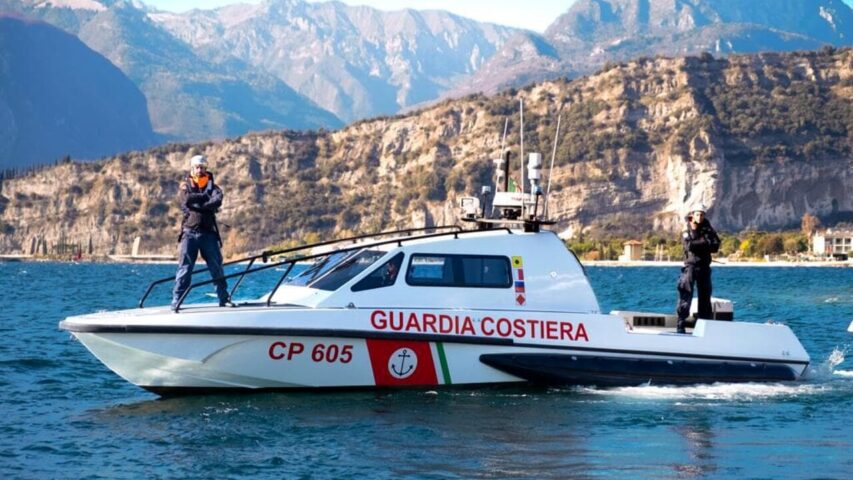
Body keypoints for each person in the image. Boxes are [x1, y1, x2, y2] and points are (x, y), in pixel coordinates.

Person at [172, 154, 232, 310]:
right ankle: (177, 300)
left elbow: (217, 200)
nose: (199, 170)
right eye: (196, 167)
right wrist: (205, 198)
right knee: (185, 269)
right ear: (192, 168)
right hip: (189, 233)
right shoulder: (184, 186)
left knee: (216, 267)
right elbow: (186, 199)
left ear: (206, 169)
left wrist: (199, 205)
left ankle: (224, 298)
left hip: (208, 234)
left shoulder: (215, 187)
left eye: (202, 167)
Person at [676, 203, 720, 333]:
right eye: (697, 214)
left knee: (705, 297)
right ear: (693, 214)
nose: (700, 217)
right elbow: (689, 246)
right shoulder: (687, 228)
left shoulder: (708, 228)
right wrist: (705, 242)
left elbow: (715, 246)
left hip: (704, 267)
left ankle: (704, 326)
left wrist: (701, 243)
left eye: (702, 214)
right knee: (686, 295)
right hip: (690, 267)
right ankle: (681, 324)